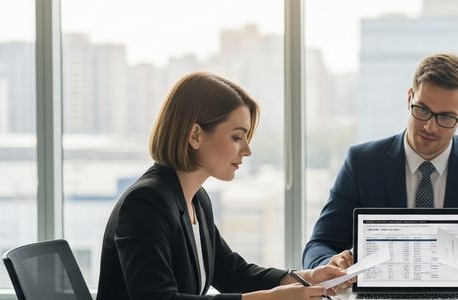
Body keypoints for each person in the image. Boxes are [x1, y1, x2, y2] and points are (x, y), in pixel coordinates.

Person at [97, 72, 346, 299]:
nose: (247, 150)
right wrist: (269, 299)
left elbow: (232, 272)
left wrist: (306, 277)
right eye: (237, 137)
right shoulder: (146, 202)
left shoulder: (196, 199)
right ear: (195, 135)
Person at [303, 53, 458, 282]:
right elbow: (318, 246)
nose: (430, 127)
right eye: (422, 110)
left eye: (445, 117)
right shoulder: (363, 162)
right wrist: (331, 263)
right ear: (409, 98)